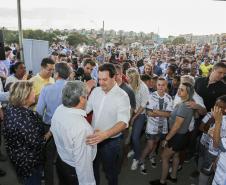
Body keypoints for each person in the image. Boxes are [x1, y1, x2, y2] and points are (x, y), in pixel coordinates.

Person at [86, 63, 130, 185]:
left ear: (114, 77)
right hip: (94, 138)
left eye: (104, 79)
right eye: (99, 79)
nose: (101, 83)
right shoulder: (95, 92)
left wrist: (104, 135)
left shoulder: (122, 96)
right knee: (93, 168)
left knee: (110, 172)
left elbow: (123, 122)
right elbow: (85, 110)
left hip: (111, 142)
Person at [50, 81, 96, 185]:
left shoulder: (59, 109)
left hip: (61, 161)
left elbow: (53, 130)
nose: (87, 98)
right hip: (74, 170)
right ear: (81, 99)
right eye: (86, 96)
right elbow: (83, 164)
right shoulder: (83, 128)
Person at [150, 82, 194, 185]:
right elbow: (171, 116)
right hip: (183, 135)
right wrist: (158, 112)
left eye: (182, 90)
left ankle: (162, 181)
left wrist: (166, 139)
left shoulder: (184, 106)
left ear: (188, 93)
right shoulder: (187, 102)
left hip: (177, 136)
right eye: (179, 88)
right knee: (176, 156)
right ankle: (173, 177)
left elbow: (176, 126)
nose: (179, 90)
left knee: (164, 157)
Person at [2, 81, 46, 185]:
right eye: (32, 91)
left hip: (17, 158)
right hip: (29, 164)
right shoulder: (25, 119)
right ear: (24, 96)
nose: (34, 93)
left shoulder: (11, 109)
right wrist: (50, 133)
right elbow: (38, 143)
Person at [36, 62, 71, 185]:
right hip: (67, 128)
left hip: (48, 126)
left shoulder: (47, 89)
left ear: (56, 74)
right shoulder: (73, 88)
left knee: (48, 160)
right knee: (66, 158)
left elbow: (39, 111)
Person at [139, 77, 173, 175]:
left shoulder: (169, 98)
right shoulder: (150, 96)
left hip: (163, 127)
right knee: (150, 146)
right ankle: (141, 160)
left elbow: (169, 114)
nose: (161, 87)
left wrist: (156, 112)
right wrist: (163, 113)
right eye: (159, 85)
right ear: (156, 85)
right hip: (151, 127)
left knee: (156, 143)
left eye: (163, 85)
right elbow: (149, 113)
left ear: (166, 86)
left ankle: (151, 157)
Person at [126, 68, 149, 170]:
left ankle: (137, 158)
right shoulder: (128, 85)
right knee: (130, 136)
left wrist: (134, 117)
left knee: (135, 137)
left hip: (140, 114)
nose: (126, 78)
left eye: (128, 77)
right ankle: (135, 149)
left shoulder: (143, 87)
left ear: (133, 78)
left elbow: (143, 105)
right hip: (130, 112)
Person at [212, 96, 226, 185]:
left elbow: (216, 144)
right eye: (215, 105)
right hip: (221, 166)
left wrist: (217, 121)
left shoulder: (221, 120)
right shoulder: (222, 119)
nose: (215, 108)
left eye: (219, 106)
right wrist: (217, 159)